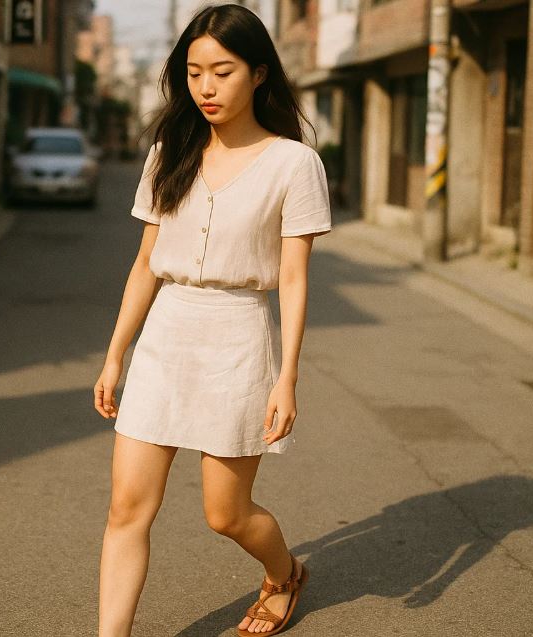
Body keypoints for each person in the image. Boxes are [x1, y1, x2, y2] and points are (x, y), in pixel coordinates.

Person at [93, 4, 331, 636]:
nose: (204, 87)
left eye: (221, 71)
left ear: (258, 74)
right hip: (166, 338)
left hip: (238, 341)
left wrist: (288, 379)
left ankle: (283, 575)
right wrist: (117, 354)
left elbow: (295, 279)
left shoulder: (293, 164)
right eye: (194, 72)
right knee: (126, 510)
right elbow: (146, 264)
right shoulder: (169, 153)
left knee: (225, 515)